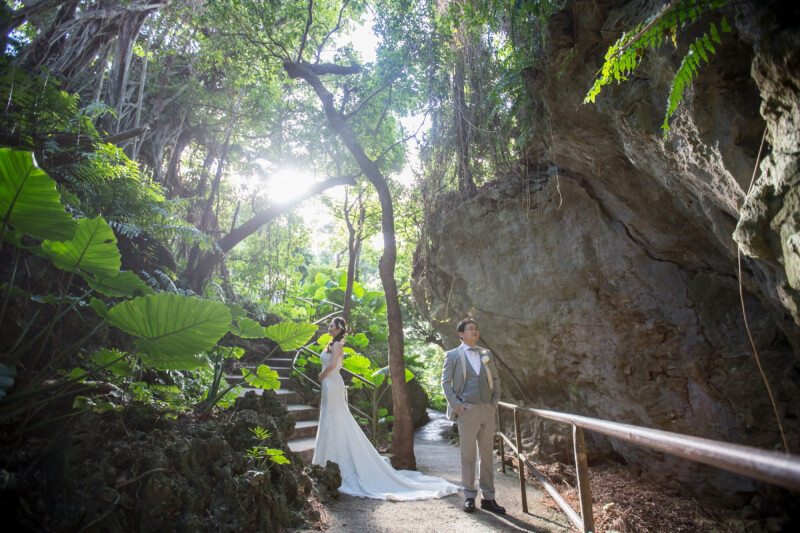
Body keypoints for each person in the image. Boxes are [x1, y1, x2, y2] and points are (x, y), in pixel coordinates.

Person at [312, 317, 459, 501]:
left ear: (339, 328)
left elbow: (334, 365)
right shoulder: (332, 344)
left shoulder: (337, 345)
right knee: (331, 417)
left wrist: (321, 375)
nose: (329, 328)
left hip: (332, 382)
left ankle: (336, 458)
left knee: (336, 417)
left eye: (332, 326)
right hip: (330, 382)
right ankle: (327, 456)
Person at [441, 318, 505, 514]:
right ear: (461, 334)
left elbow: (495, 378)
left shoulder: (486, 354)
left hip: (487, 408)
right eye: (470, 329)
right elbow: (445, 383)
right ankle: (469, 496)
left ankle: (489, 498)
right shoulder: (453, 355)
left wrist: (495, 399)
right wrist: (457, 406)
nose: (474, 331)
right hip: (467, 411)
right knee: (468, 455)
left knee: (487, 455)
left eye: (476, 328)